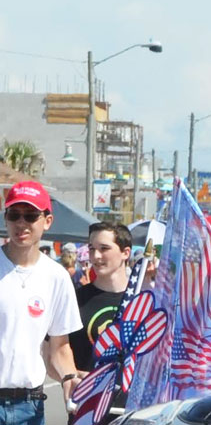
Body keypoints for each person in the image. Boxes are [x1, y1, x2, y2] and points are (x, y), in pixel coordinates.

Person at [0, 181, 83, 425]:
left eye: (31, 215)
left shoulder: (56, 277)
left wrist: (69, 377)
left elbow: (59, 347)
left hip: (29, 406)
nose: (21, 223)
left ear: (47, 221)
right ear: (6, 219)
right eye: (14, 215)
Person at [67, 223, 132, 373]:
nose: (95, 256)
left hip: (131, 394)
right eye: (92, 249)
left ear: (125, 253)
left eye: (104, 248)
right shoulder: (75, 299)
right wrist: (74, 377)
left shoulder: (141, 301)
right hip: (85, 394)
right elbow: (54, 353)